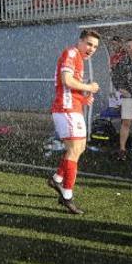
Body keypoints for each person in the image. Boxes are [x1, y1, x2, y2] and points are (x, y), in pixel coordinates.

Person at [48, 30, 101, 215]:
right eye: (89, 44)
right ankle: (67, 195)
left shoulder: (79, 57)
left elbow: (70, 86)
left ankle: (57, 178)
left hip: (73, 108)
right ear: (80, 42)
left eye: (95, 47)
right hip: (66, 109)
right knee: (74, 150)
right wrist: (89, 87)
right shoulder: (71, 53)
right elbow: (66, 80)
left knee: (80, 148)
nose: (91, 49)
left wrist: (84, 98)